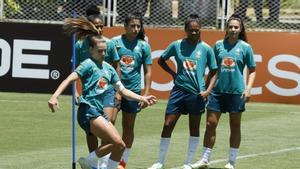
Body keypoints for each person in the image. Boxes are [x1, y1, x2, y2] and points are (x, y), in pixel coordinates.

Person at [48, 16, 157, 169]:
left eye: (105, 51)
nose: (104, 53)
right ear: (91, 50)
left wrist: (142, 97)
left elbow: (123, 90)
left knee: (120, 145)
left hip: (99, 111)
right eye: (100, 51)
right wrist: (54, 97)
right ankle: (88, 162)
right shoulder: (87, 64)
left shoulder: (109, 68)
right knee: (117, 142)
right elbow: (68, 79)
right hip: (88, 110)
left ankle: (97, 164)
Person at [148, 14, 218, 169]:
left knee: (194, 128)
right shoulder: (177, 45)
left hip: (196, 94)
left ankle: (188, 162)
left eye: (197, 30)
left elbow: (214, 71)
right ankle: (160, 161)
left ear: (200, 30)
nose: (194, 33)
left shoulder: (206, 48)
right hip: (178, 91)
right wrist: (173, 74)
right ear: (185, 30)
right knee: (168, 124)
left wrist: (207, 91)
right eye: (191, 30)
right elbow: (161, 60)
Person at [191, 14, 256, 169]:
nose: (233, 29)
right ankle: (205, 159)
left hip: (236, 93)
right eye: (231, 27)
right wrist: (207, 89)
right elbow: (213, 70)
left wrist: (248, 89)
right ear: (226, 28)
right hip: (217, 92)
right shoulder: (219, 45)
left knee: (235, 125)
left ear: (240, 30)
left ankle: (231, 162)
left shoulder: (246, 47)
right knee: (210, 124)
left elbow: (253, 70)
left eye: (236, 27)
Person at [74, 4, 121, 169]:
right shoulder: (80, 45)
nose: (100, 30)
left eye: (102, 27)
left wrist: (118, 91)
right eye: (97, 27)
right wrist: (76, 91)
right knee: (91, 130)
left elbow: (116, 66)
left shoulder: (108, 43)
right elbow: (75, 71)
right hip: (89, 92)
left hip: (107, 90)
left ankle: (103, 163)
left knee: (107, 126)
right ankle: (93, 162)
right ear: (90, 27)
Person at [111, 11, 152, 169]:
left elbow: (148, 71)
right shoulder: (115, 42)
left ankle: (122, 161)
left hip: (133, 92)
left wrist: (146, 94)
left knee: (128, 127)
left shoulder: (144, 46)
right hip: (113, 91)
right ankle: (107, 159)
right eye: (132, 26)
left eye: (138, 26)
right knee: (109, 124)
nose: (135, 29)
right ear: (125, 26)